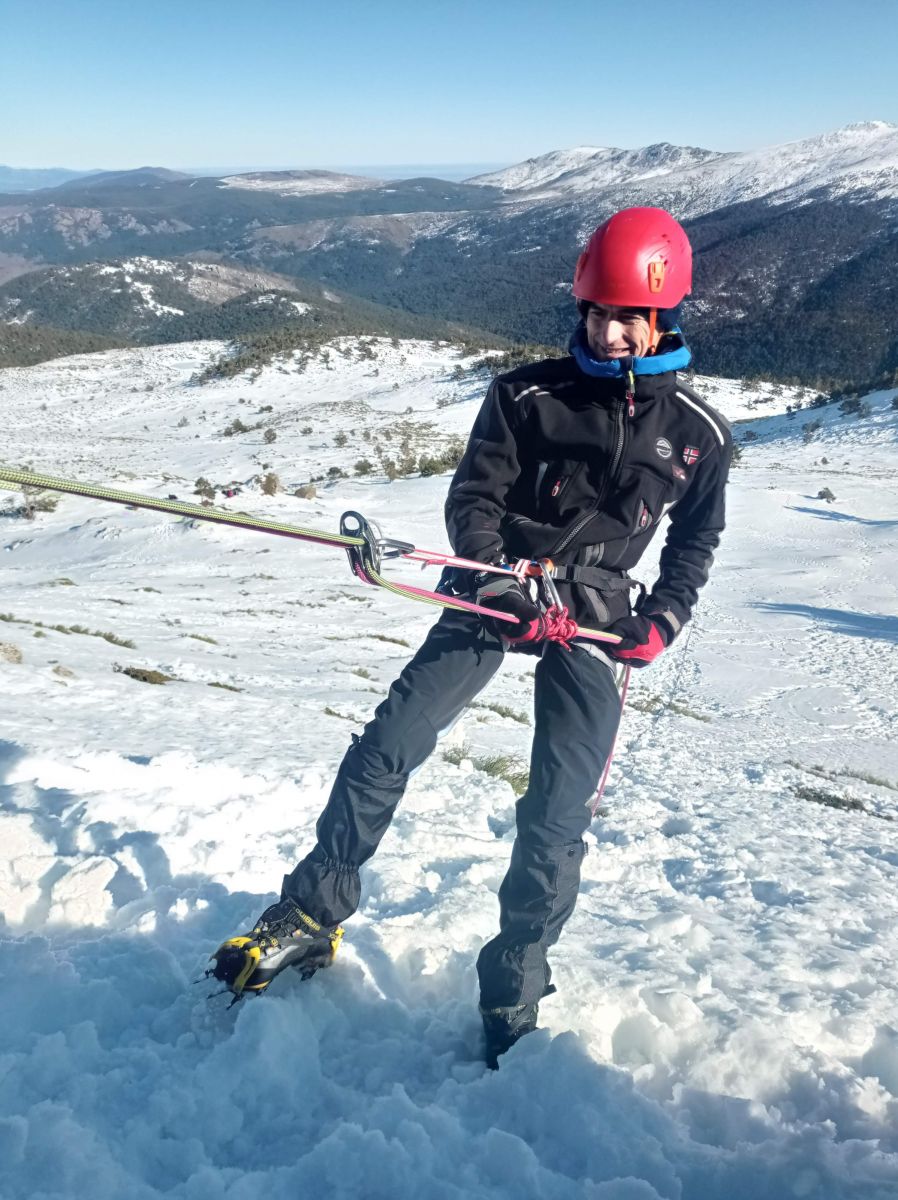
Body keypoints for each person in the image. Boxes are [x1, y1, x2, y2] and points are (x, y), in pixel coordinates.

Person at [210, 207, 732, 1067]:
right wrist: (495, 579)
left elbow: (696, 541)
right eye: (594, 313)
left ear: (659, 317)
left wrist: (663, 619)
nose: (605, 332)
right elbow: (475, 498)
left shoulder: (697, 437)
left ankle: (515, 983)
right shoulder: (526, 395)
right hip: (499, 588)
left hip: (596, 612)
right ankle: (311, 912)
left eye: (623, 318)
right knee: (390, 743)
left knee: (558, 811)